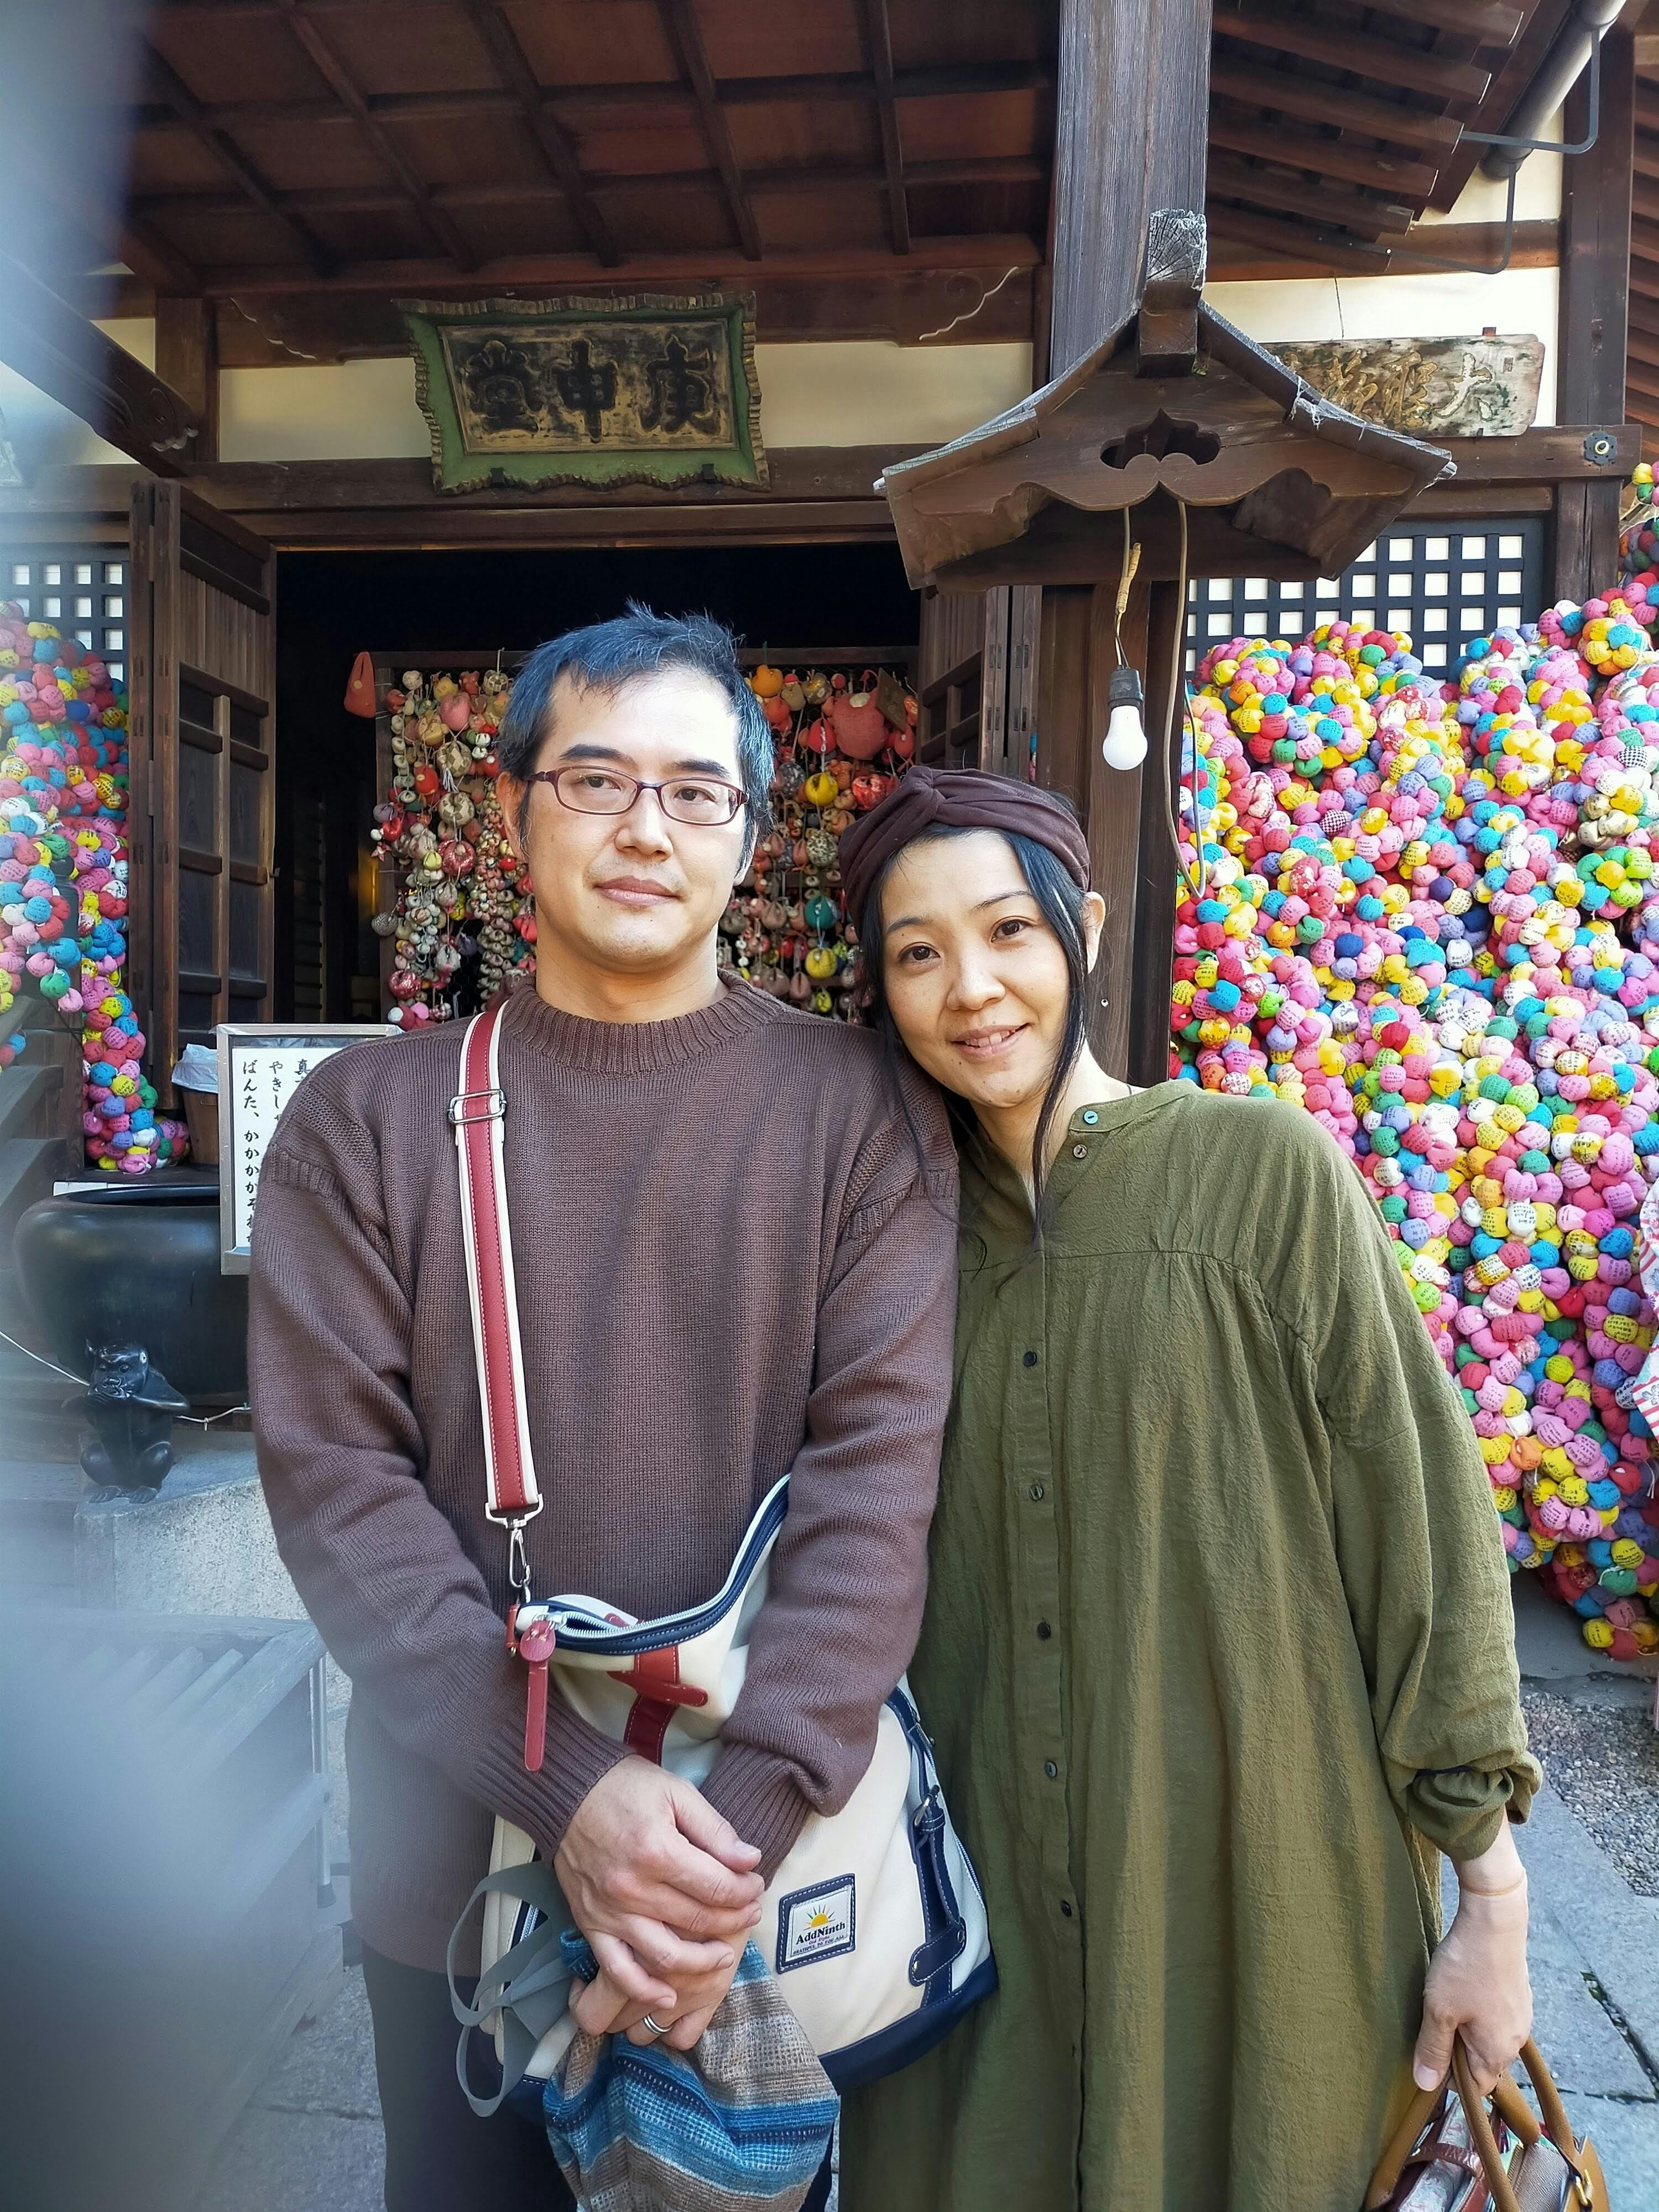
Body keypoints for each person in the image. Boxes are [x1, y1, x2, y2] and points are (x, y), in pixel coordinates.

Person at [248, 608, 957, 2212]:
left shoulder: (861, 1114)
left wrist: (719, 1862)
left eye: (696, 792)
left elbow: (873, 1494)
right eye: (596, 779)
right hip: (460, 1883)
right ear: (513, 811)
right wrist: (569, 1798)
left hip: (759, 1883)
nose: (648, 827)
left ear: (750, 837)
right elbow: (339, 1492)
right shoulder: (368, 1122)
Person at [833, 767, 1540, 2212]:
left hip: (1260, 1891)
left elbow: (1422, 1531)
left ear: (1085, 930)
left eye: (1009, 930)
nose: (973, 988)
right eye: (917, 953)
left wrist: (1494, 1896)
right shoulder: (886, 1239)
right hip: (975, 1918)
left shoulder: (1260, 1176)